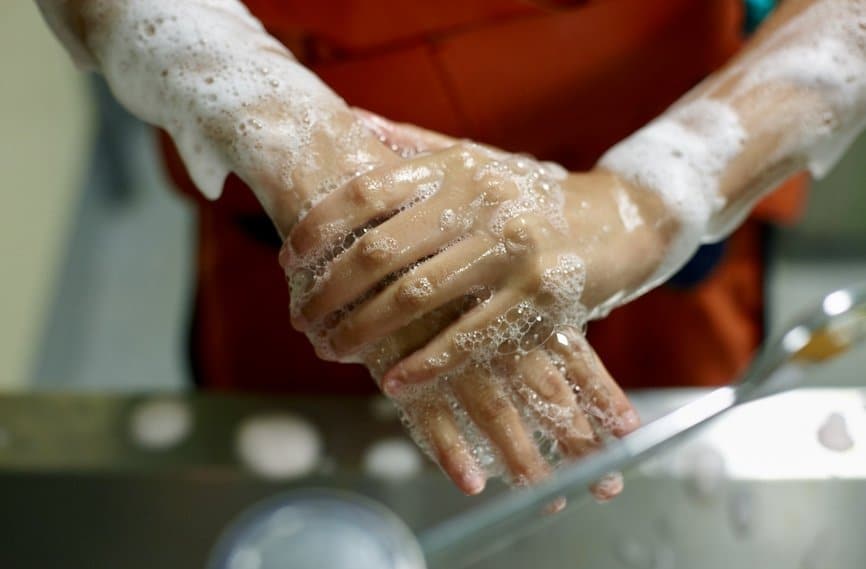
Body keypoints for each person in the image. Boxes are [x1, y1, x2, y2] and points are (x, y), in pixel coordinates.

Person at [35, 0, 866, 497]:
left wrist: (646, 205)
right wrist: (305, 153)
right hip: (310, 249)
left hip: (656, 229)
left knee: (637, 482)